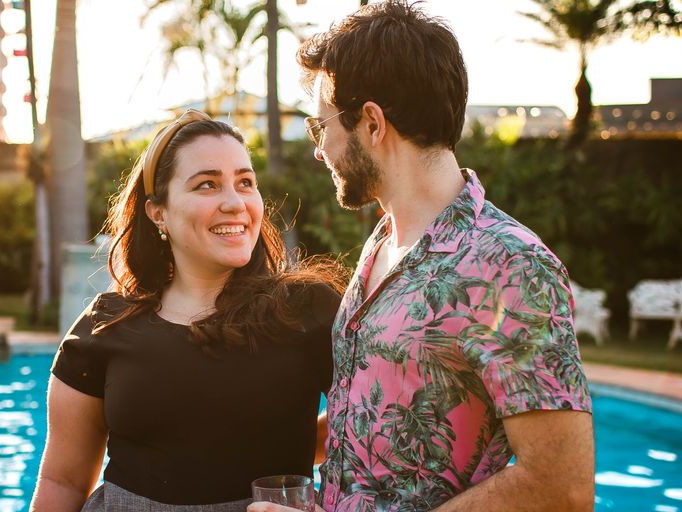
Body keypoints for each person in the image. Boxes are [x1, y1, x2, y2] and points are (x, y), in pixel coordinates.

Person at [250, 2, 594, 511]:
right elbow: (379, 415)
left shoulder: (508, 264)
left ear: (371, 123)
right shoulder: (385, 243)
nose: (319, 150)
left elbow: (560, 486)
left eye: (321, 126)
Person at [30, 110, 345, 511]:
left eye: (246, 182)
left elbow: (370, 425)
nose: (235, 203)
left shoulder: (308, 310)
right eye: (207, 185)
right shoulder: (105, 324)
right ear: (157, 212)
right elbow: (63, 480)